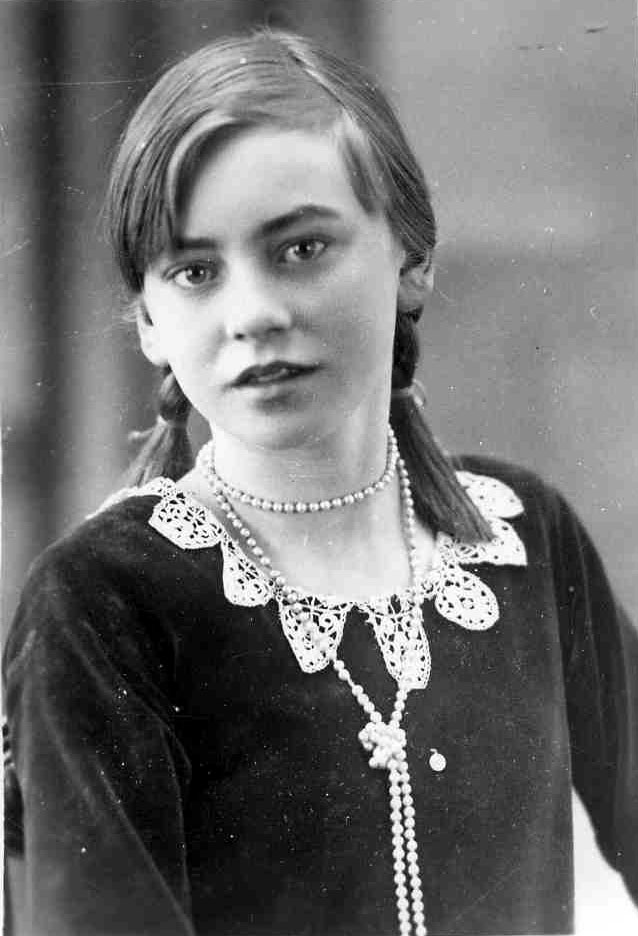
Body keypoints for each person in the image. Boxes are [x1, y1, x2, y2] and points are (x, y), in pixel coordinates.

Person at [3, 28, 637, 936]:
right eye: (195, 272)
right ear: (148, 321)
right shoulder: (103, 602)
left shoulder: (525, 540)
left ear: (412, 258)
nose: (254, 314)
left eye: (301, 249)